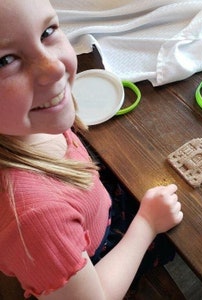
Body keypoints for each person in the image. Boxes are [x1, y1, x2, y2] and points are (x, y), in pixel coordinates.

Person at [0, 0, 183, 299]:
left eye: (47, 31)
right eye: (5, 60)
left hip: (89, 214)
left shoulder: (29, 121)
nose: (54, 67)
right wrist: (147, 224)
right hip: (98, 262)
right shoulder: (35, 220)